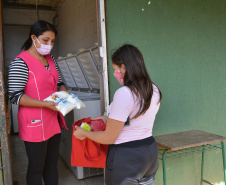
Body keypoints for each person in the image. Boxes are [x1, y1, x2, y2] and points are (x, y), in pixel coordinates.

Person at [74, 44, 162, 185]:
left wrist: (84, 134)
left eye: (115, 69)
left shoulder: (125, 93)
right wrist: (107, 119)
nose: (115, 74)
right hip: (149, 153)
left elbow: (109, 137)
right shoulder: (153, 89)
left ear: (123, 67)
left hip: (127, 158)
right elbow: (134, 118)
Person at [8, 20, 68, 185]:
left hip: (53, 118)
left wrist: (64, 91)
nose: (50, 44)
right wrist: (45, 104)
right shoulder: (20, 62)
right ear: (33, 38)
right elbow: (15, 95)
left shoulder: (50, 59)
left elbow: (58, 81)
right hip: (34, 120)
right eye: (46, 40)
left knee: (51, 164)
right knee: (36, 166)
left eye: (53, 41)